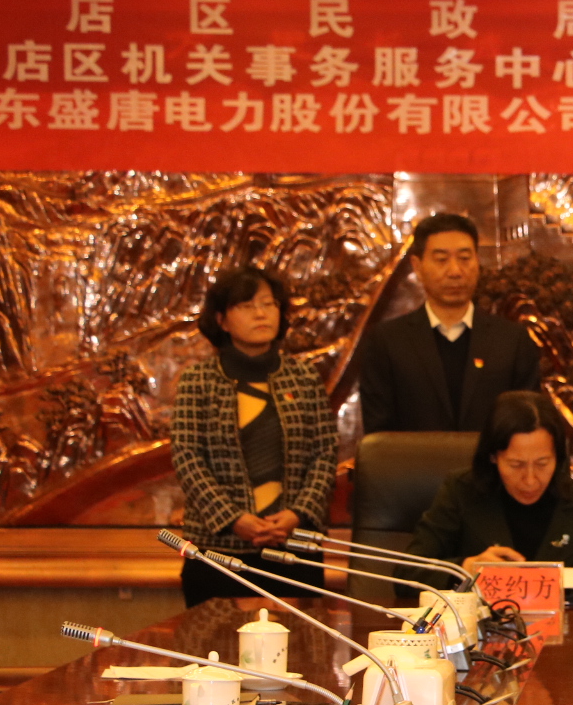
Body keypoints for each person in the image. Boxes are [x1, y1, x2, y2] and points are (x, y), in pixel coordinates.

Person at [170, 266, 336, 608]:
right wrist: (233, 519)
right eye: (247, 306)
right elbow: (188, 458)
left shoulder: (304, 377)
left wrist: (297, 514)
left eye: (268, 304)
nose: (261, 314)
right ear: (222, 320)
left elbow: (324, 453)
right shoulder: (198, 380)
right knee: (216, 642)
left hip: (295, 550)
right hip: (218, 553)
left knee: (300, 640)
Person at [356, 212, 542, 434]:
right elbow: (378, 436)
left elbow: (528, 427)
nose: (455, 271)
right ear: (417, 266)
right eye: (441, 260)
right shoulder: (387, 342)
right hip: (413, 458)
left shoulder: (511, 340)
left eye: (464, 258)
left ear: (477, 262)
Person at [406, 390, 573, 579]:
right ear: (493, 456)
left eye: (542, 463)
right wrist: (466, 568)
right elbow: (408, 573)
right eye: (516, 465)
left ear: (559, 458)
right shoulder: (460, 492)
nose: (530, 479)